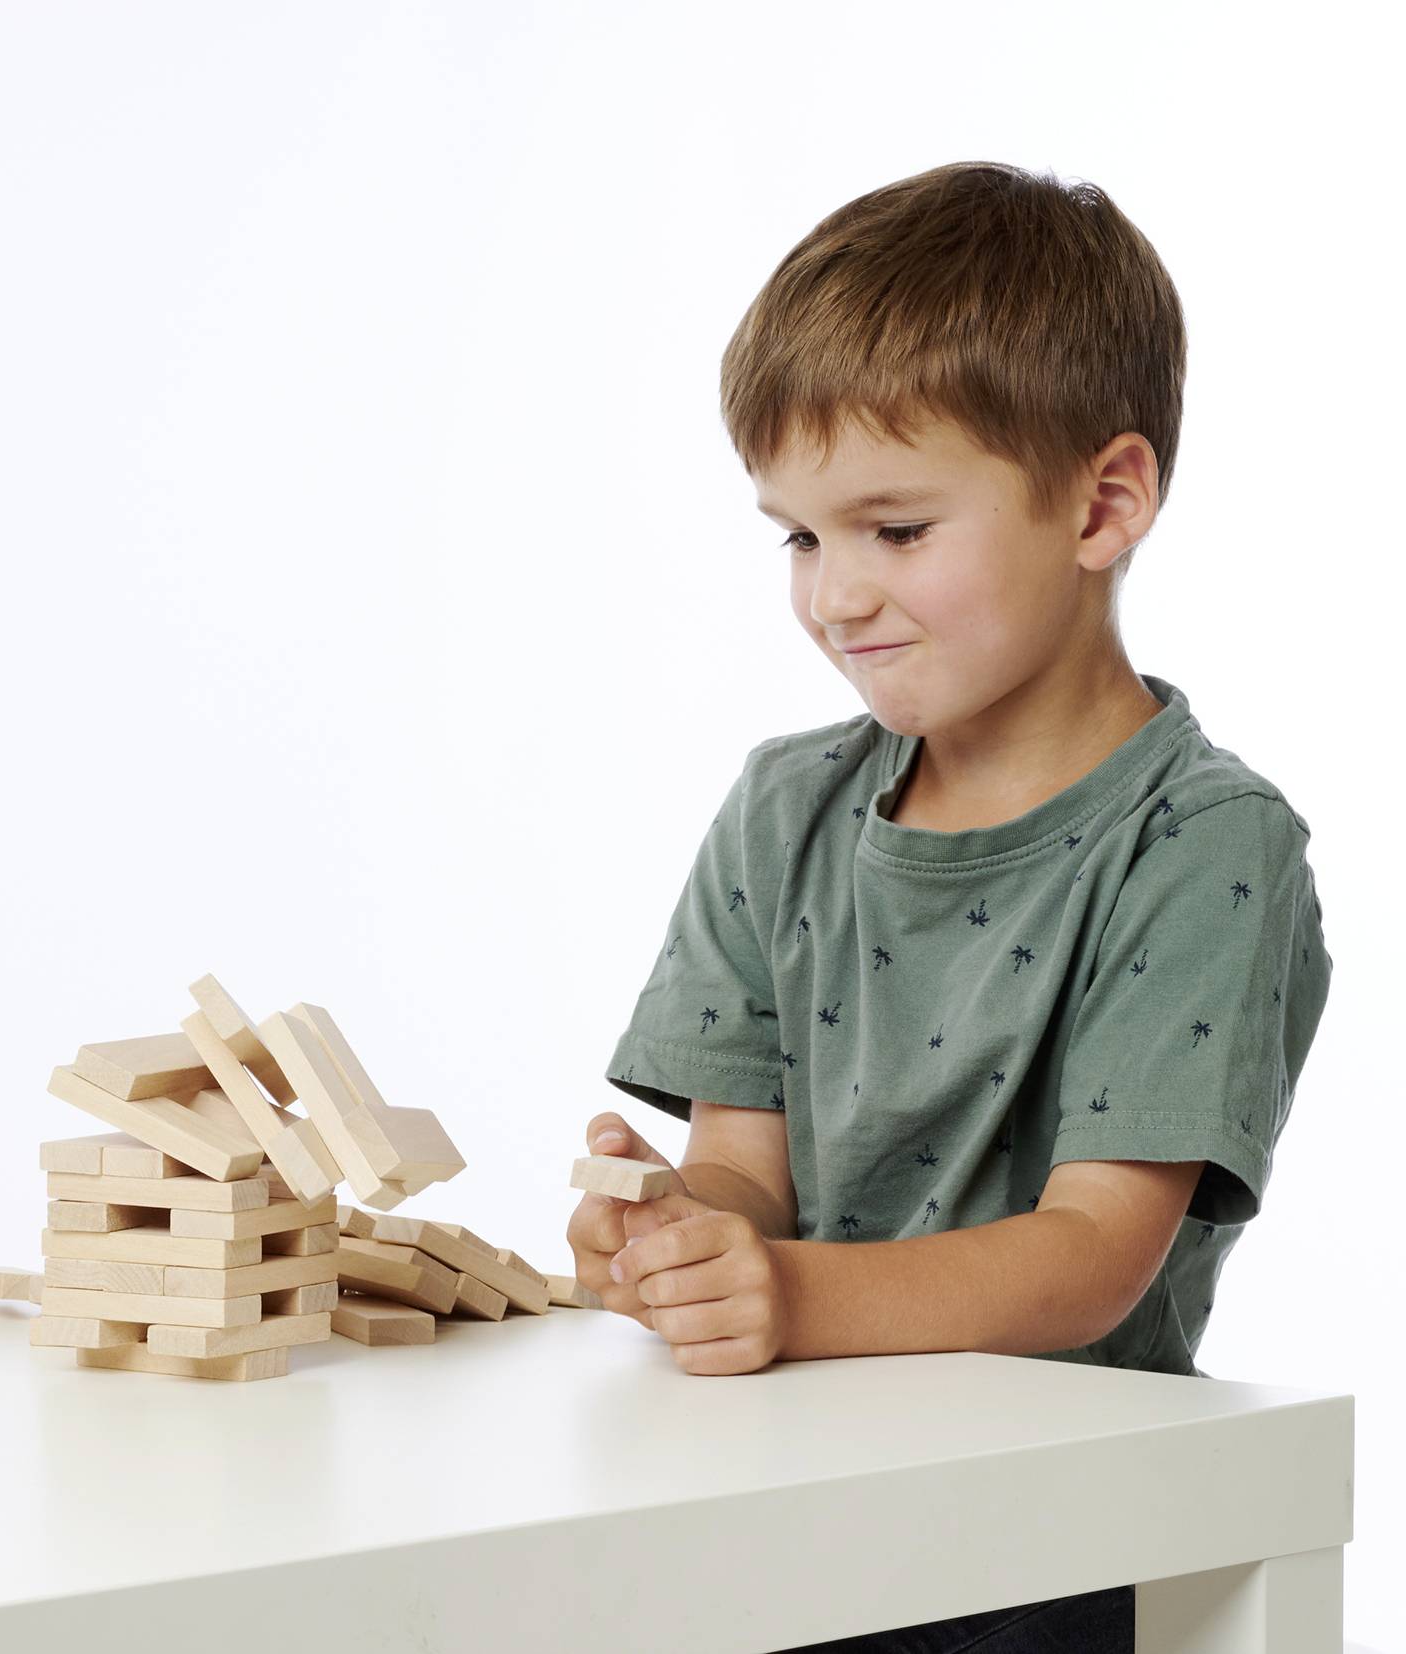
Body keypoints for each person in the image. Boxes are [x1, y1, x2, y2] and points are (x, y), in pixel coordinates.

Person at [569, 161, 1332, 1651]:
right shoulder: (783, 809)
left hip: (1044, 1536)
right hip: (776, 1489)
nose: (833, 595)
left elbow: (1093, 1251)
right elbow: (743, 1168)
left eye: (895, 530)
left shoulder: (1203, 844)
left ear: (1104, 501)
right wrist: (686, 1236)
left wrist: (784, 1295)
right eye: (798, 536)